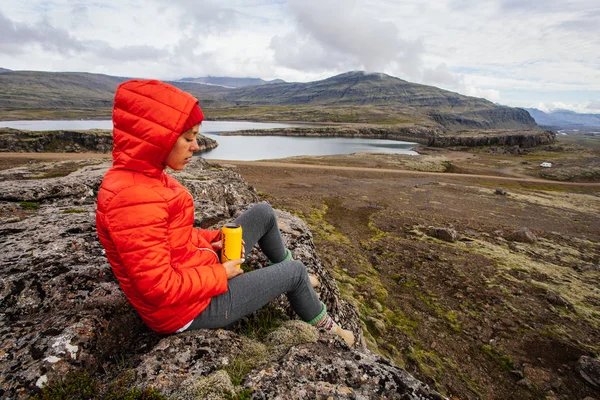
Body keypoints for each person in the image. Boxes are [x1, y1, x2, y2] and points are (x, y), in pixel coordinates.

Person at [95, 79, 354, 346]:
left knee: (263, 213)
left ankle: (288, 274)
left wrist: (212, 240)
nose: (195, 147)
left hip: (194, 276)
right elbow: (159, 288)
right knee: (294, 272)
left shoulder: (147, 178)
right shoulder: (132, 198)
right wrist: (220, 275)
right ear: (158, 139)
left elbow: (175, 236)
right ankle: (331, 330)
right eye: (188, 138)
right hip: (187, 311)